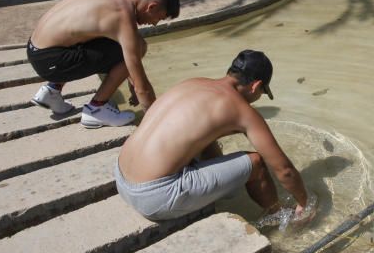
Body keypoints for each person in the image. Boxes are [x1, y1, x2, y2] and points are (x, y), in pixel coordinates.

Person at [114, 49, 313, 223]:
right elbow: (285, 170)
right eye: (262, 91)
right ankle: (278, 217)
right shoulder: (241, 110)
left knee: (203, 141)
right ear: (256, 85)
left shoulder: (193, 83)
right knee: (256, 163)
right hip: (153, 198)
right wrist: (304, 204)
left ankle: (220, 191)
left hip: (121, 178)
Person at [27, 0, 179, 128]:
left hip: (36, 49)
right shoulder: (122, 16)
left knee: (119, 42)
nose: (154, 24)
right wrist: (157, 124)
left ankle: (52, 91)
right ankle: (97, 109)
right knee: (139, 46)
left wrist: (130, 77)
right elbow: (142, 88)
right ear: (152, 7)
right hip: (50, 61)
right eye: (158, 18)